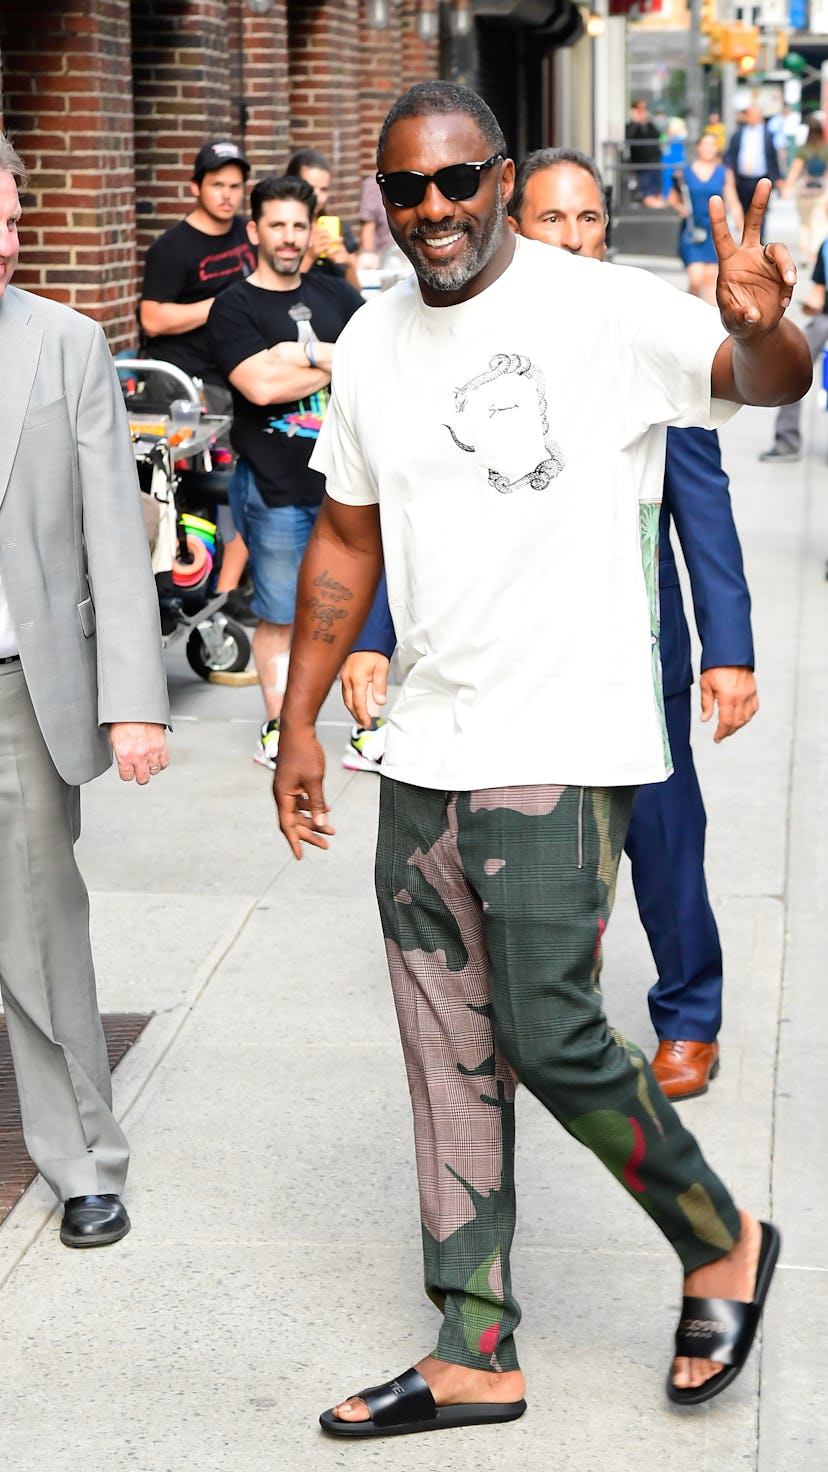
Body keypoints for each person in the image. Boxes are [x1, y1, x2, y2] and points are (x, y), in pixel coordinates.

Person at [274, 81, 809, 1436]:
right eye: (407, 190)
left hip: (564, 743)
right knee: (443, 1046)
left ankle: (723, 1240)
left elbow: (753, 380)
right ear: (380, 204)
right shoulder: (372, 337)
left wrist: (772, 328)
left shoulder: (601, 309)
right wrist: (295, 719)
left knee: (553, 1032)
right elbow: (345, 533)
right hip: (426, 748)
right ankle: (474, 1346)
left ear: (502, 180)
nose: (435, 210)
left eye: (459, 182)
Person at [343, 145, 758, 1103]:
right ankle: (550, 1018)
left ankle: (689, 1016)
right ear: (513, 225)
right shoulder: (443, 336)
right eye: (551, 221)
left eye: (589, 220)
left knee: (663, 849)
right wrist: (371, 637)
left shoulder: (643, 330)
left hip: (626, 656)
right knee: (531, 873)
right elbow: (406, 515)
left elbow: (706, 506)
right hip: (501, 674)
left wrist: (727, 652)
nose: (572, 237)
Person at [0, 136, 170, 1248]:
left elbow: (116, 526)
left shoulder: (64, 344)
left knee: (36, 929)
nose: (6, 241)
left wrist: (136, 696)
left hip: (19, 687)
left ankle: (81, 1157)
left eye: (11, 217)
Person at [206, 175, 362, 768]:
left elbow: (372, 362)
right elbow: (258, 385)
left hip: (346, 485)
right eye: (277, 224)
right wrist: (331, 357)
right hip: (273, 490)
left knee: (350, 610)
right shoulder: (234, 305)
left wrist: (295, 354)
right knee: (279, 612)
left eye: (299, 225)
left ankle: (365, 728)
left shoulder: (337, 295)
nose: (289, 237)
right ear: (255, 231)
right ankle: (280, 727)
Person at [140, 139, 256, 603]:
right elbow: (152, 318)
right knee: (207, 491)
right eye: (217, 185)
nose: (228, 195)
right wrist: (221, 306)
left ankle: (234, 585)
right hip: (190, 386)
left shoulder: (247, 232)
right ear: (195, 188)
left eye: (235, 186)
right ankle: (203, 589)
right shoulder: (173, 247)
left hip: (240, 374)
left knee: (247, 480)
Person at [759, 231, 828, 462]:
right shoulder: (826, 245)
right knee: (793, 366)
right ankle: (786, 441)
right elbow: (819, 291)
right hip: (825, 319)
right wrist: (810, 304)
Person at [668, 133, 741, 305]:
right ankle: (688, 313)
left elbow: (734, 202)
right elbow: (672, 198)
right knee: (696, 279)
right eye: (705, 144)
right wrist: (680, 208)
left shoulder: (724, 172)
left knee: (711, 281)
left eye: (712, 145)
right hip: (692, 230)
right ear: (698, 147)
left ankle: (711, 326)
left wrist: (743, 230)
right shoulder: (684, 172)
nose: (708, 148)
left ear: (717, 149)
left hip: (715, 231)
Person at [284, 148, 361, 292]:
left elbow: (356, 294)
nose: (318, 197)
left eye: (324, 189)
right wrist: (309, 256)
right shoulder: (284, 231)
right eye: (310, 188)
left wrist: (349, 264)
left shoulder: (339, 228)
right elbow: (281, 291)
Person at [724, 103, 781, 243]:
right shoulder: (738, 135)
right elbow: (730, 155)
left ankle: (759, 243)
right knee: (744, 211)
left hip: (762, 178)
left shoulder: (768, 135)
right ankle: (746, 241)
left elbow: (773, 157)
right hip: (742, 180)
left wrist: (778, 178)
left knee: (761, 211)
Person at [781, 115, 828, 266]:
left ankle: (804, 253)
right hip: (821, 190)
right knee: (819, 222)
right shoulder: (825, 149)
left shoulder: (803, 149)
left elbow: (796, 168)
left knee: (804, 223)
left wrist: (788, 186)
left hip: (804, 191)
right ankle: (815, 253)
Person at [624, 98, 664, 206]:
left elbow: (657, 135)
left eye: (644, 109)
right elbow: (629, 138)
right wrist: (636, 123)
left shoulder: (649, 125)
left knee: (657, 191)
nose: (643, 112)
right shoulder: (630, 126)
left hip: (654, 161)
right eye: (640, 109)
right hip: (642, 163)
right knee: (647, 193)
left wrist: (646, 122)